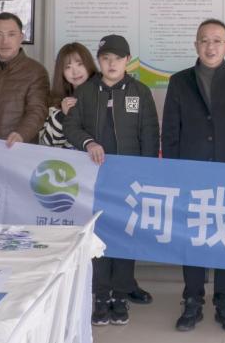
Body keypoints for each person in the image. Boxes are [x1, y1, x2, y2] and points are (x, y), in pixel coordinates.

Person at [162, 19, 225, 333]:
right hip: (191, 173)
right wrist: (173, 173)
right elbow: (170, 132)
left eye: (217, 40)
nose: (210, 46)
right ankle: (192, 300)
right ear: (196, 45)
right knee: (193, 238)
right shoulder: (179, 81)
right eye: (204, 40)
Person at [64, 34, 160, 327]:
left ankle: (120, 295)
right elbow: (71, 127)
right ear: (99, 61)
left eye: (117, 58)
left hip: (129, 181)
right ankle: (101, 296)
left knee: (125, 236)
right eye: (105, 59)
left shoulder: (140, 92)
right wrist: (89, 142)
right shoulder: (86, 92)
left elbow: (149, 134)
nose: (111, 64)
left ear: (127, 60)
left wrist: (145, 176)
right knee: (99, 237)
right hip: (95, 179)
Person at [0, 12, 48, 147]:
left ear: (21, 37)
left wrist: (21, 134)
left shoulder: (36, 71)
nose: (5, 41)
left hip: (17, 148)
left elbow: (37, 110)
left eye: (11, 34)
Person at [40, 42, 98, 148]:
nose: (75, 72)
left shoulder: (103, 93)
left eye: (80, 64)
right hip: (66, 158)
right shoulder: (54, 100)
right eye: (68, 67)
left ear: (89, 64)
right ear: (61, 72)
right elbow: (46, 143)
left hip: (98, 156)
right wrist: (63, 115)